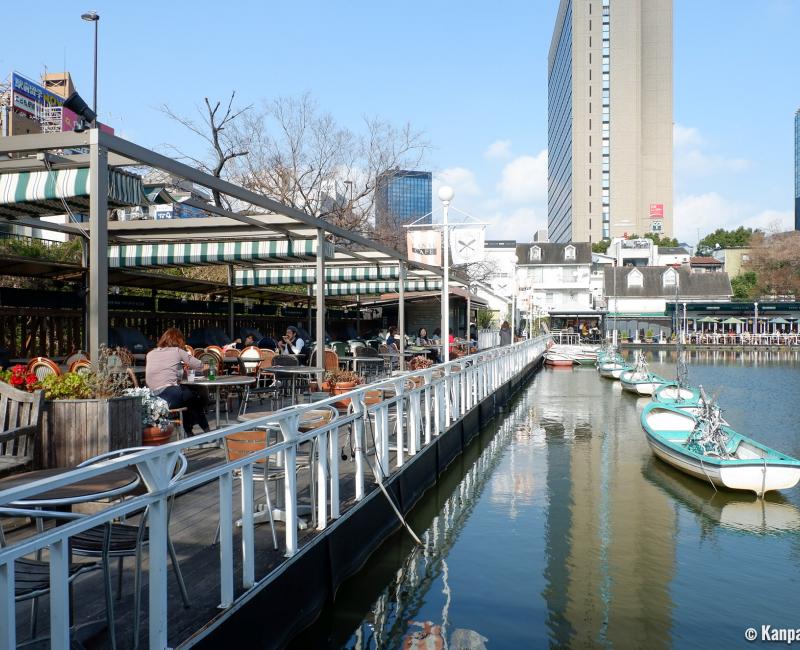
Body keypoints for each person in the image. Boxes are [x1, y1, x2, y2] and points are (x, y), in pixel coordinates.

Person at [145, 327, 209, 435]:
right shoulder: (177, 351)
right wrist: (207, 366)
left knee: (188, 398)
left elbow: (165, 371)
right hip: (169, 395)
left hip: (152, 397)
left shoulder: (150, 353)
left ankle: (190, 431)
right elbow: (199, 365)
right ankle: (205, 431)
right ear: (179, 340)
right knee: (195, 398)